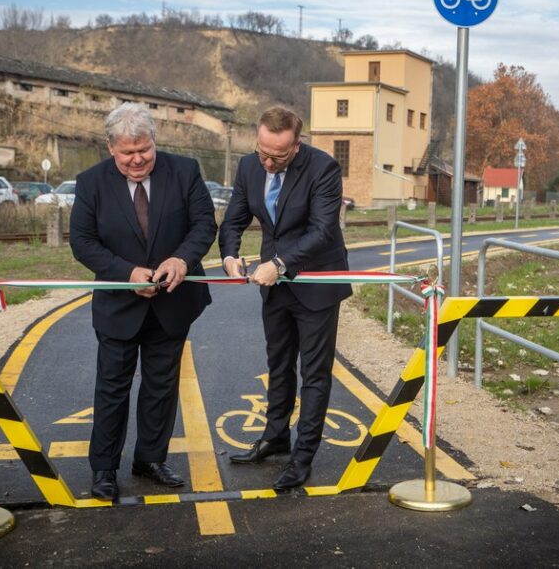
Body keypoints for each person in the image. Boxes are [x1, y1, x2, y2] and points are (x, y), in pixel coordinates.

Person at [70, 102, 217, 500]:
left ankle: (150, 458)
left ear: (155, 140)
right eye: (127, 153)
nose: (137, 159)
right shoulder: (91, 183)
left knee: (161, 386)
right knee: (112, 388)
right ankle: (104, 469)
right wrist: (126, 273)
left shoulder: (185, 171)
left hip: (173, 303)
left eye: (144, 150)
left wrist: (181, 259)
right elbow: (83, 243)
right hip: (119, 306)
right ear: (110, 148)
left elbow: (205, 225)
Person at [219, 106, 351, 490]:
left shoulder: (323, 169)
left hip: (317, 284)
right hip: (274, 286)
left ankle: (303, 457)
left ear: (297, 144)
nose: (268, 161)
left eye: (277, 155)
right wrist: (229, 255)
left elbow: (323, 230)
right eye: (262, 152)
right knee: (278, 364)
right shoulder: (248, 167)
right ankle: (276, 437)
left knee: (314, 374)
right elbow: (233, 220)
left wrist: (278, 262)